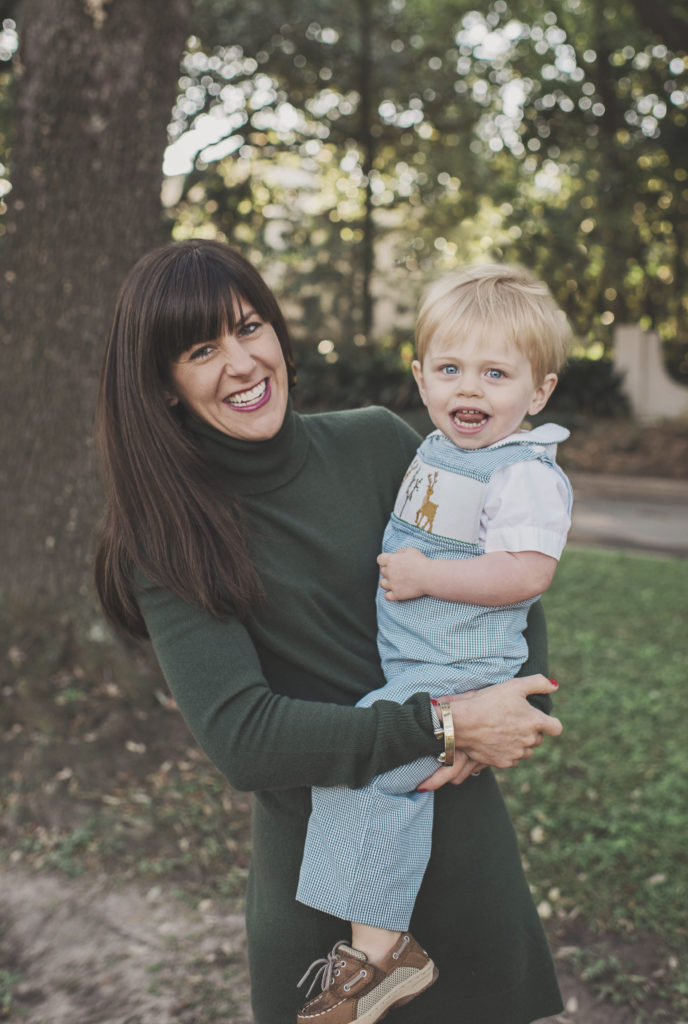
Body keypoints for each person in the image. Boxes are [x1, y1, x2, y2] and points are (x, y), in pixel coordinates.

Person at [94, 239, 566, 1024]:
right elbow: (244, 737)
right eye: (202, 349)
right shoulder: (168, 535)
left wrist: (496, 718)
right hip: (325, 891)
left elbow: (510, 588)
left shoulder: (382, 443)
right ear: (165, 387)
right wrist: (442, 725)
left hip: (460, 847)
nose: (241, 363)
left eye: (249, 328)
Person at [295, 264, 573, 1023]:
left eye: (494, 373)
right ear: (420, 378)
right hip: (420, 664)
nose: (469, 390)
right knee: (361, 767)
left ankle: (382, 959)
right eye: (450, 370)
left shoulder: (523, 472)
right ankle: (376, 951)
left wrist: (424, 576)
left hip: (460, 666)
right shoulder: (438, 449)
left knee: (369, 764)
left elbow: (524, 573)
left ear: (537, 392)